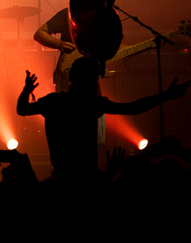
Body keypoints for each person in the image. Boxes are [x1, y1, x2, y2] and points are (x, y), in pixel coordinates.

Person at [16, 57, 189, 183]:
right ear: (91, 80)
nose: (96, 82)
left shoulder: (53, 102)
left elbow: (22, 110)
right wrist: (167, 96)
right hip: (87, 178)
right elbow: (133, 108)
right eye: (95, 78)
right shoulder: (93, 104)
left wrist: (26, 91)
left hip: (60, 178)